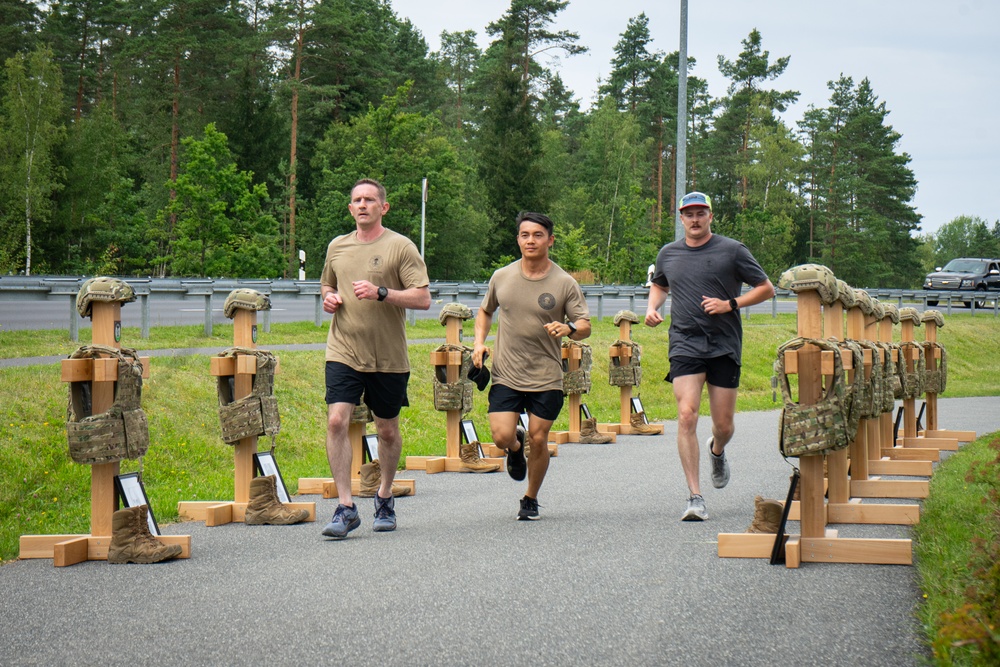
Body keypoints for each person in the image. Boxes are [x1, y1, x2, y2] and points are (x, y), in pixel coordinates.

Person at [645, 192, 775, 521]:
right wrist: (651, 308)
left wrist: (730, 304)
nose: (695, 219)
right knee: (686, 415)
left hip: (724, 344)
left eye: (701, 213)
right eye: (689, 214)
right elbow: (660, 284)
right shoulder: (668, 253)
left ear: (711, 216)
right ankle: (695, 496)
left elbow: (766, 288)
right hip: (685, 342)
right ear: (681, 217)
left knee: (724, 424)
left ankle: (717, 449)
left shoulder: (732, 250)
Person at [319, 178, 431, 539]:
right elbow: (326, 285)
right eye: (357, 200)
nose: (363, 205)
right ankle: (346, 506)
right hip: (343, 349)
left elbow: (423, 299)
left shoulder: (400, 246)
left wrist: (382, 292)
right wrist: (328, 299)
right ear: (350, 208)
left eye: (370, 200)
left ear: (383, 207)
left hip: (388, 355)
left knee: (386, 429)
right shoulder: (337, 246)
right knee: (337, 421)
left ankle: (384, 496)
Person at [472, 212, 591, 520]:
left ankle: (530, 497)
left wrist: (568, 329)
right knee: (500, 436)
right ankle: (514, 447)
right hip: (507, 373)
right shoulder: (502, 276)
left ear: (549, 240)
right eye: (525, 235)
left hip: (546, 375)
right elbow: (485, 312)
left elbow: (585, 325)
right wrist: (479, 342)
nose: (530, 240)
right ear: (518, 240)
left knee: (540, 439)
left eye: (537, 235)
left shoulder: (564, 282)